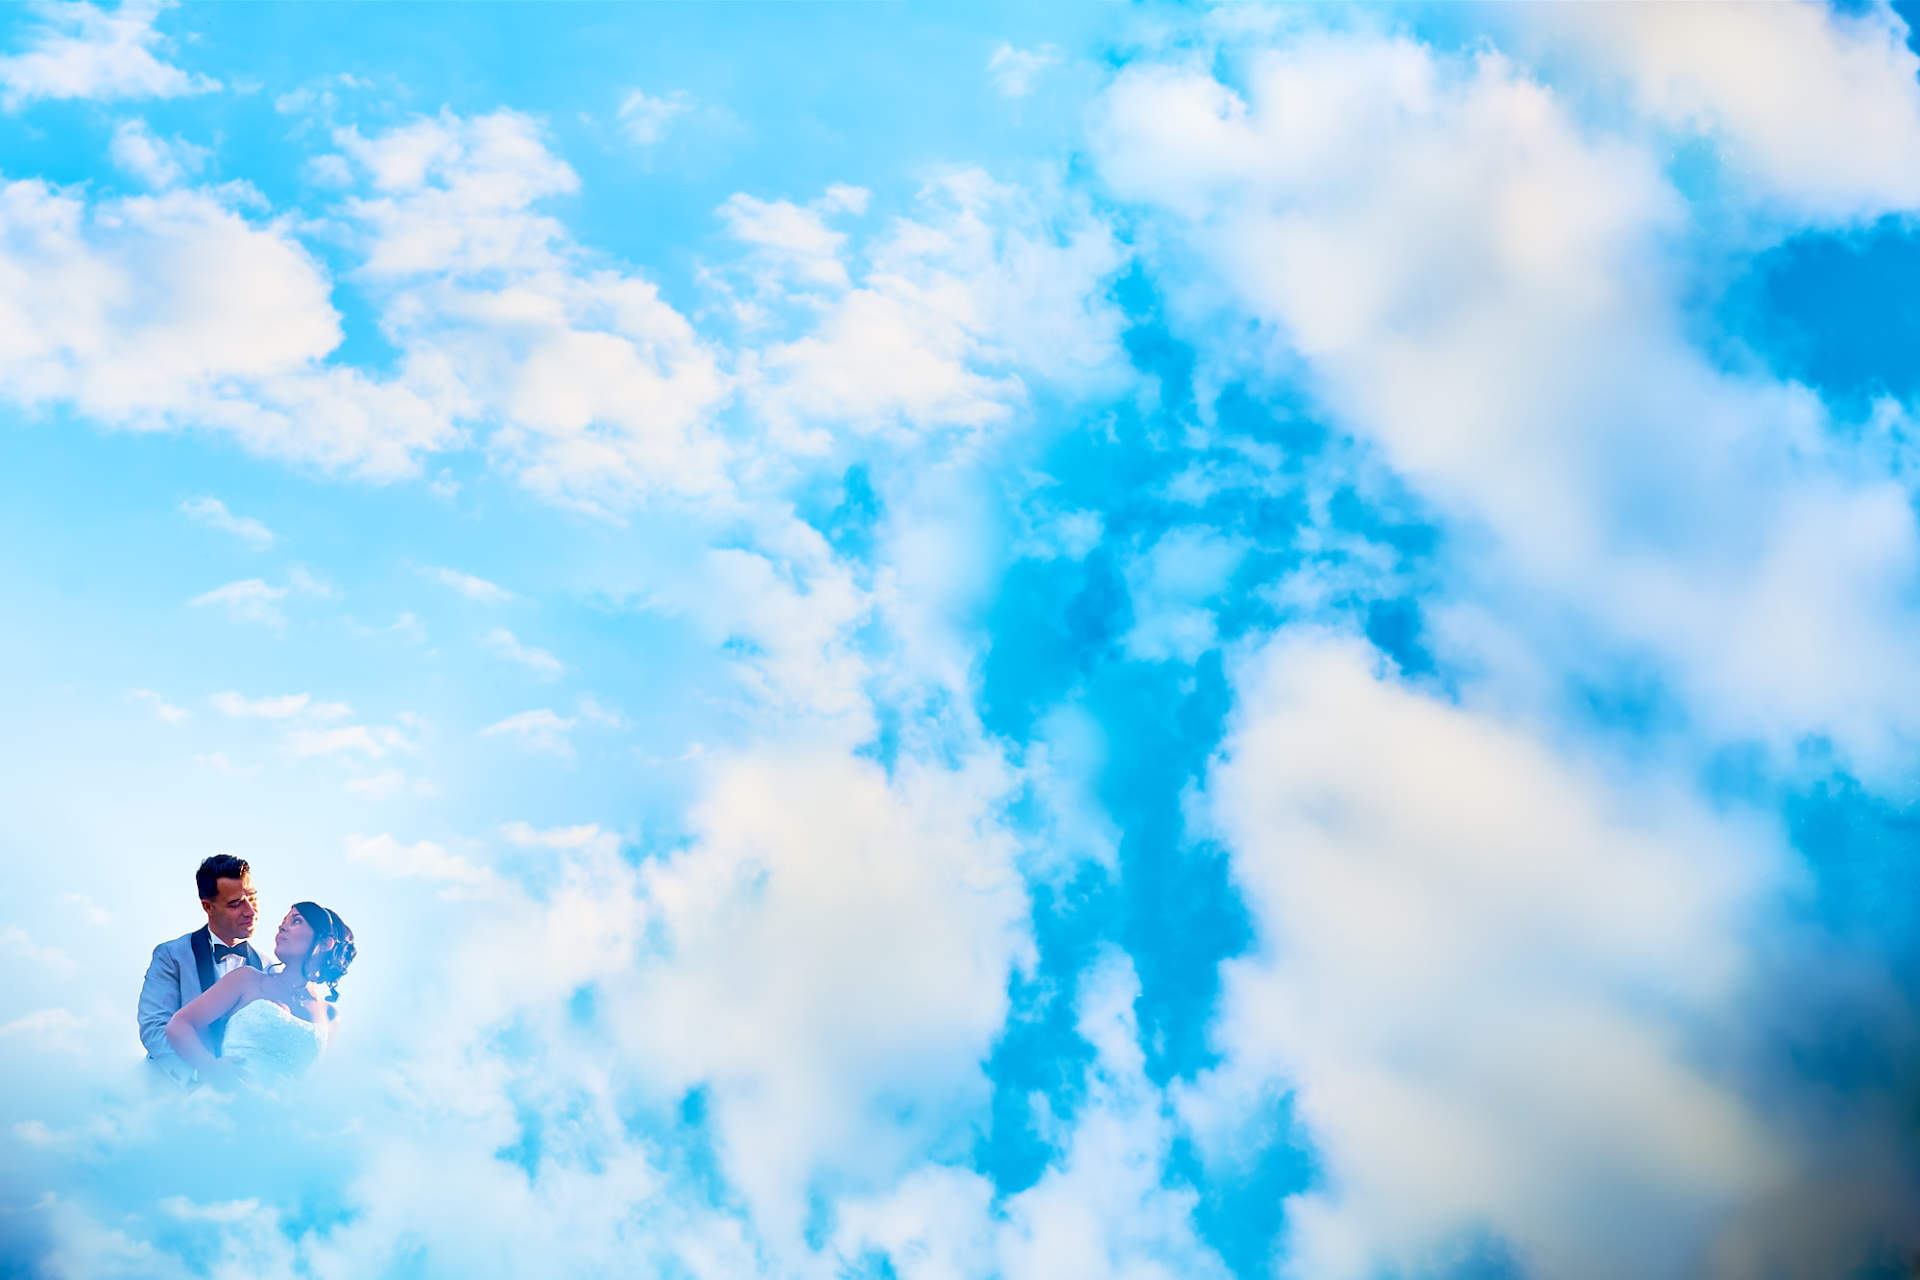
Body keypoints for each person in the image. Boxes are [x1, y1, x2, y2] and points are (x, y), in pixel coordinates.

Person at [166, 901, 355, 1090]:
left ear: (324, 943)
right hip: (223, 1106)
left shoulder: (329, 1016)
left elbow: (315, 1084)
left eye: (296, 921)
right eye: (284, 921)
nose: (282, 926)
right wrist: (210, 1067)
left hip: (279, 1116)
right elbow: (179, 1024)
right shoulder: (247, 980)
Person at [137, 855, 266, 1086]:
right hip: (175, 1093)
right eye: (235, 904)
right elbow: (155, 1027)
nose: (250, 911)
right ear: (208, 906)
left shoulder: (268, 968)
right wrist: (201, 1073)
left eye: (253, 898)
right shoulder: (171, 955)